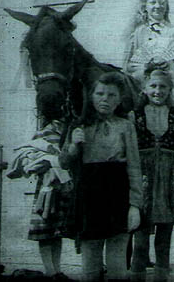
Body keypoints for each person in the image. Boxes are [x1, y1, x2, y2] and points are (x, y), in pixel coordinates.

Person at [59, 72, 142, 282]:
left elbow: (134, 167)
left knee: (117, 265)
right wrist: (73, 146)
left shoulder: (126, 126)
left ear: (120, 99)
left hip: (118, 194)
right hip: (89, 196)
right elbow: (63, 163)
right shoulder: (79, 125)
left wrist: (135, 205)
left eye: (112, 95)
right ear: (92, 96)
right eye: (100, 93)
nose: (105, 99)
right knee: (90, 264)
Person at [130, 68, 174, 282]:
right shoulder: (134, 116)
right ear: (144, 89)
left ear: (170, 89)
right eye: (153, 86)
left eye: (163, 86)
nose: (158, 91)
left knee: (164, 240)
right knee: (141, 240)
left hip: (169, 183)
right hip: (143, 181)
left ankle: (162, 277)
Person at [6, 120, 73, 280]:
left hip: (64, 185)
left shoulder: (68, 129)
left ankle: (57, 270)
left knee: (57, 231)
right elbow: (29, 156)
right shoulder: (44, 132)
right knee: (44, 229)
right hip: (47, 187)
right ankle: (50, 271)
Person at [123, 0, 174, 108]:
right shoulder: (138, 33)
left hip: (172, 81)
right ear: (145, 6)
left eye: (162, 3)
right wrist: (145, 67)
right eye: (153, 2)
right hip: (146, 83)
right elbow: (128, 65)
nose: (158, 6)